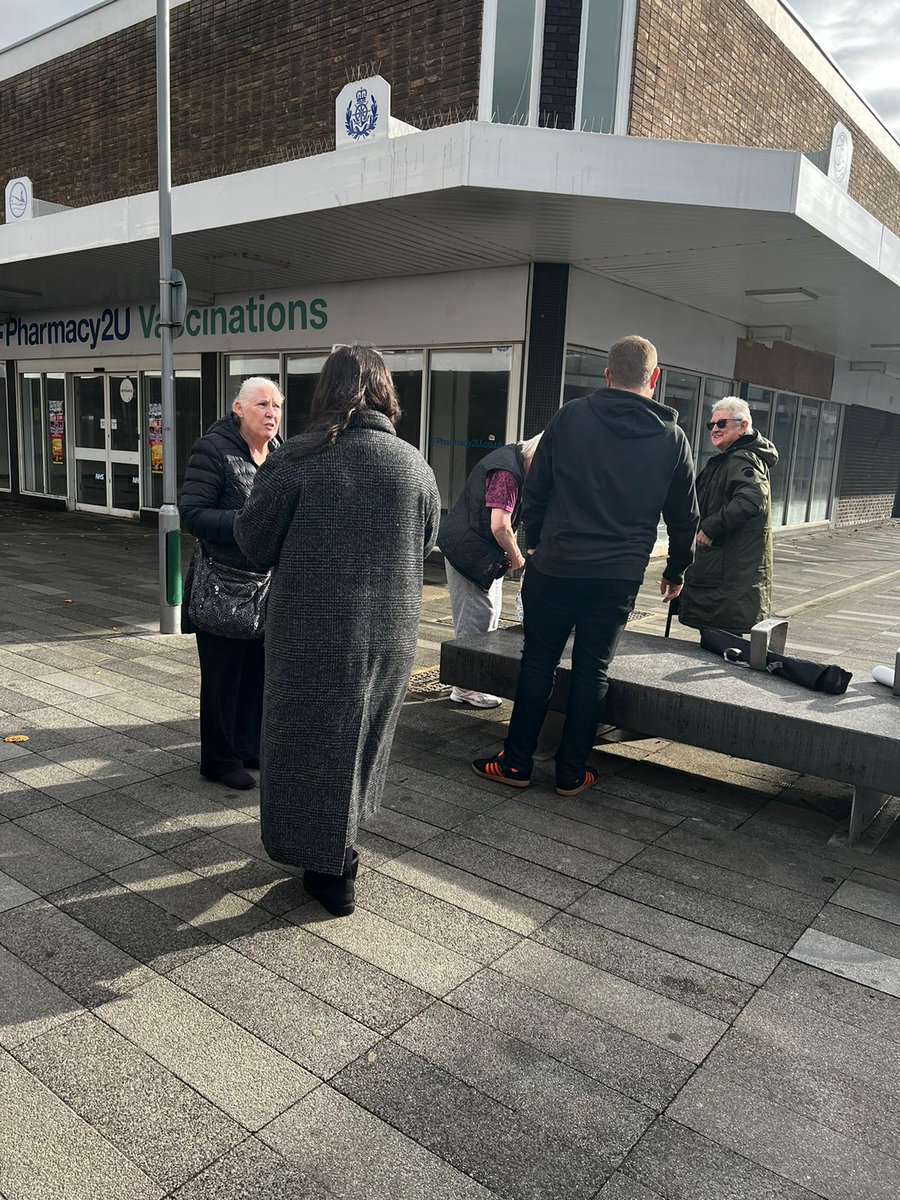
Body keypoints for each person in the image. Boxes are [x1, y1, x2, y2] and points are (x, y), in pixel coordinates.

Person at [234, 344, 440, 917]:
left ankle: (327, 868)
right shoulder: (413, 464)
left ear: (325, 392)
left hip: (311, 632)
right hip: (391, 633)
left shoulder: (296, 459)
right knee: (361, 741)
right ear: (384, 393)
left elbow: (253, 542)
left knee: (305, 743)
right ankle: (341, 847)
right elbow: (424, 543)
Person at [473, 335, 698, 797]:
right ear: (654, 379)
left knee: (537, 662)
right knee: (593, 669)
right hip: (617, 575)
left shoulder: (571, 416)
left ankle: (516, 763)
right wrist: (675, 571)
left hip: (556, 565)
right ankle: (571, 773)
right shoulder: (673, 438)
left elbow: (536, 487)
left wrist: (534, 543)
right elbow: (684, 516)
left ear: (607, 375)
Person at [181, 377, 284, 791]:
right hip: (223, 585)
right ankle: (219, 759)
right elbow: (194, 514)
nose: (272, 413)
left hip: (263, 587)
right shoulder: (213, 449)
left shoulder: (277, 452)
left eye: (276, 406)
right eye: (262, 405)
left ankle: (247, 746)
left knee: (255, 673)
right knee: (223, 677)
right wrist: (247, 525)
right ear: (238, 408)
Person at [438, 433, 543, 708]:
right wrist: (517, 557)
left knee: (488, 615)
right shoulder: (507, 472)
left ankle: (474, 681)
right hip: (469, 554)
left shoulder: (514, 463)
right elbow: (500, 525)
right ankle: (465, 688)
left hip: (479, 552)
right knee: (476, 620)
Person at [678, 396, 778, 634]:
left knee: (721, 643)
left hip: (728, 577)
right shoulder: (730, 458)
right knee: (717, 641)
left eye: (721, 424)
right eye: (710, 425)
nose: (714, 429)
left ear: (743, 426)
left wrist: (711, 528)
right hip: (723, 574)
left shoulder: (741, 458)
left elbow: (753, 498)